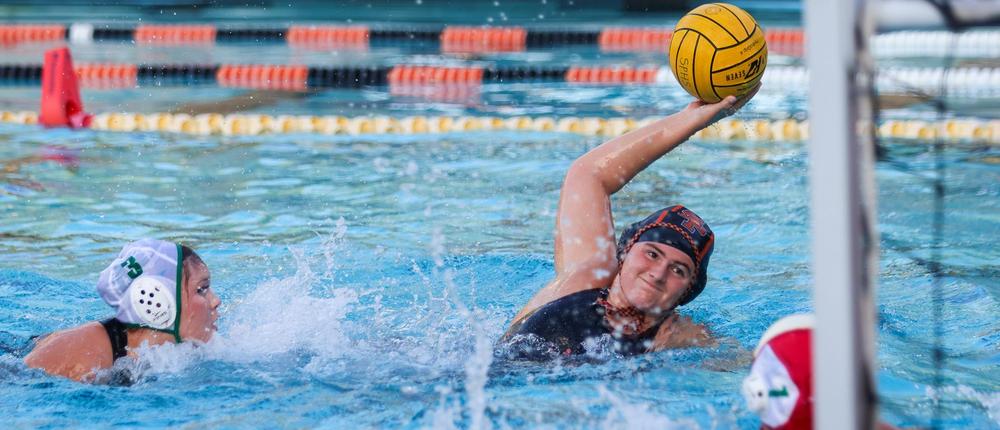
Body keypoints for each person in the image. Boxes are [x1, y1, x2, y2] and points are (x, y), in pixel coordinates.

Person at [500, 85, 759, 359]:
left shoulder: (683, 339)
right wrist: (693, 120)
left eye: (678, 271)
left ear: (686, 293)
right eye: (652, 253)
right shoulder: (586, 279)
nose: (658, 274)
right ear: (624, 252)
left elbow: (752, 368)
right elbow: (587, 174)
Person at [23, 239, 221, 382]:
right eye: (201, 289)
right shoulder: (85, 355)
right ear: (156, 298)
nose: (215, 301)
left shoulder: (170, 351)